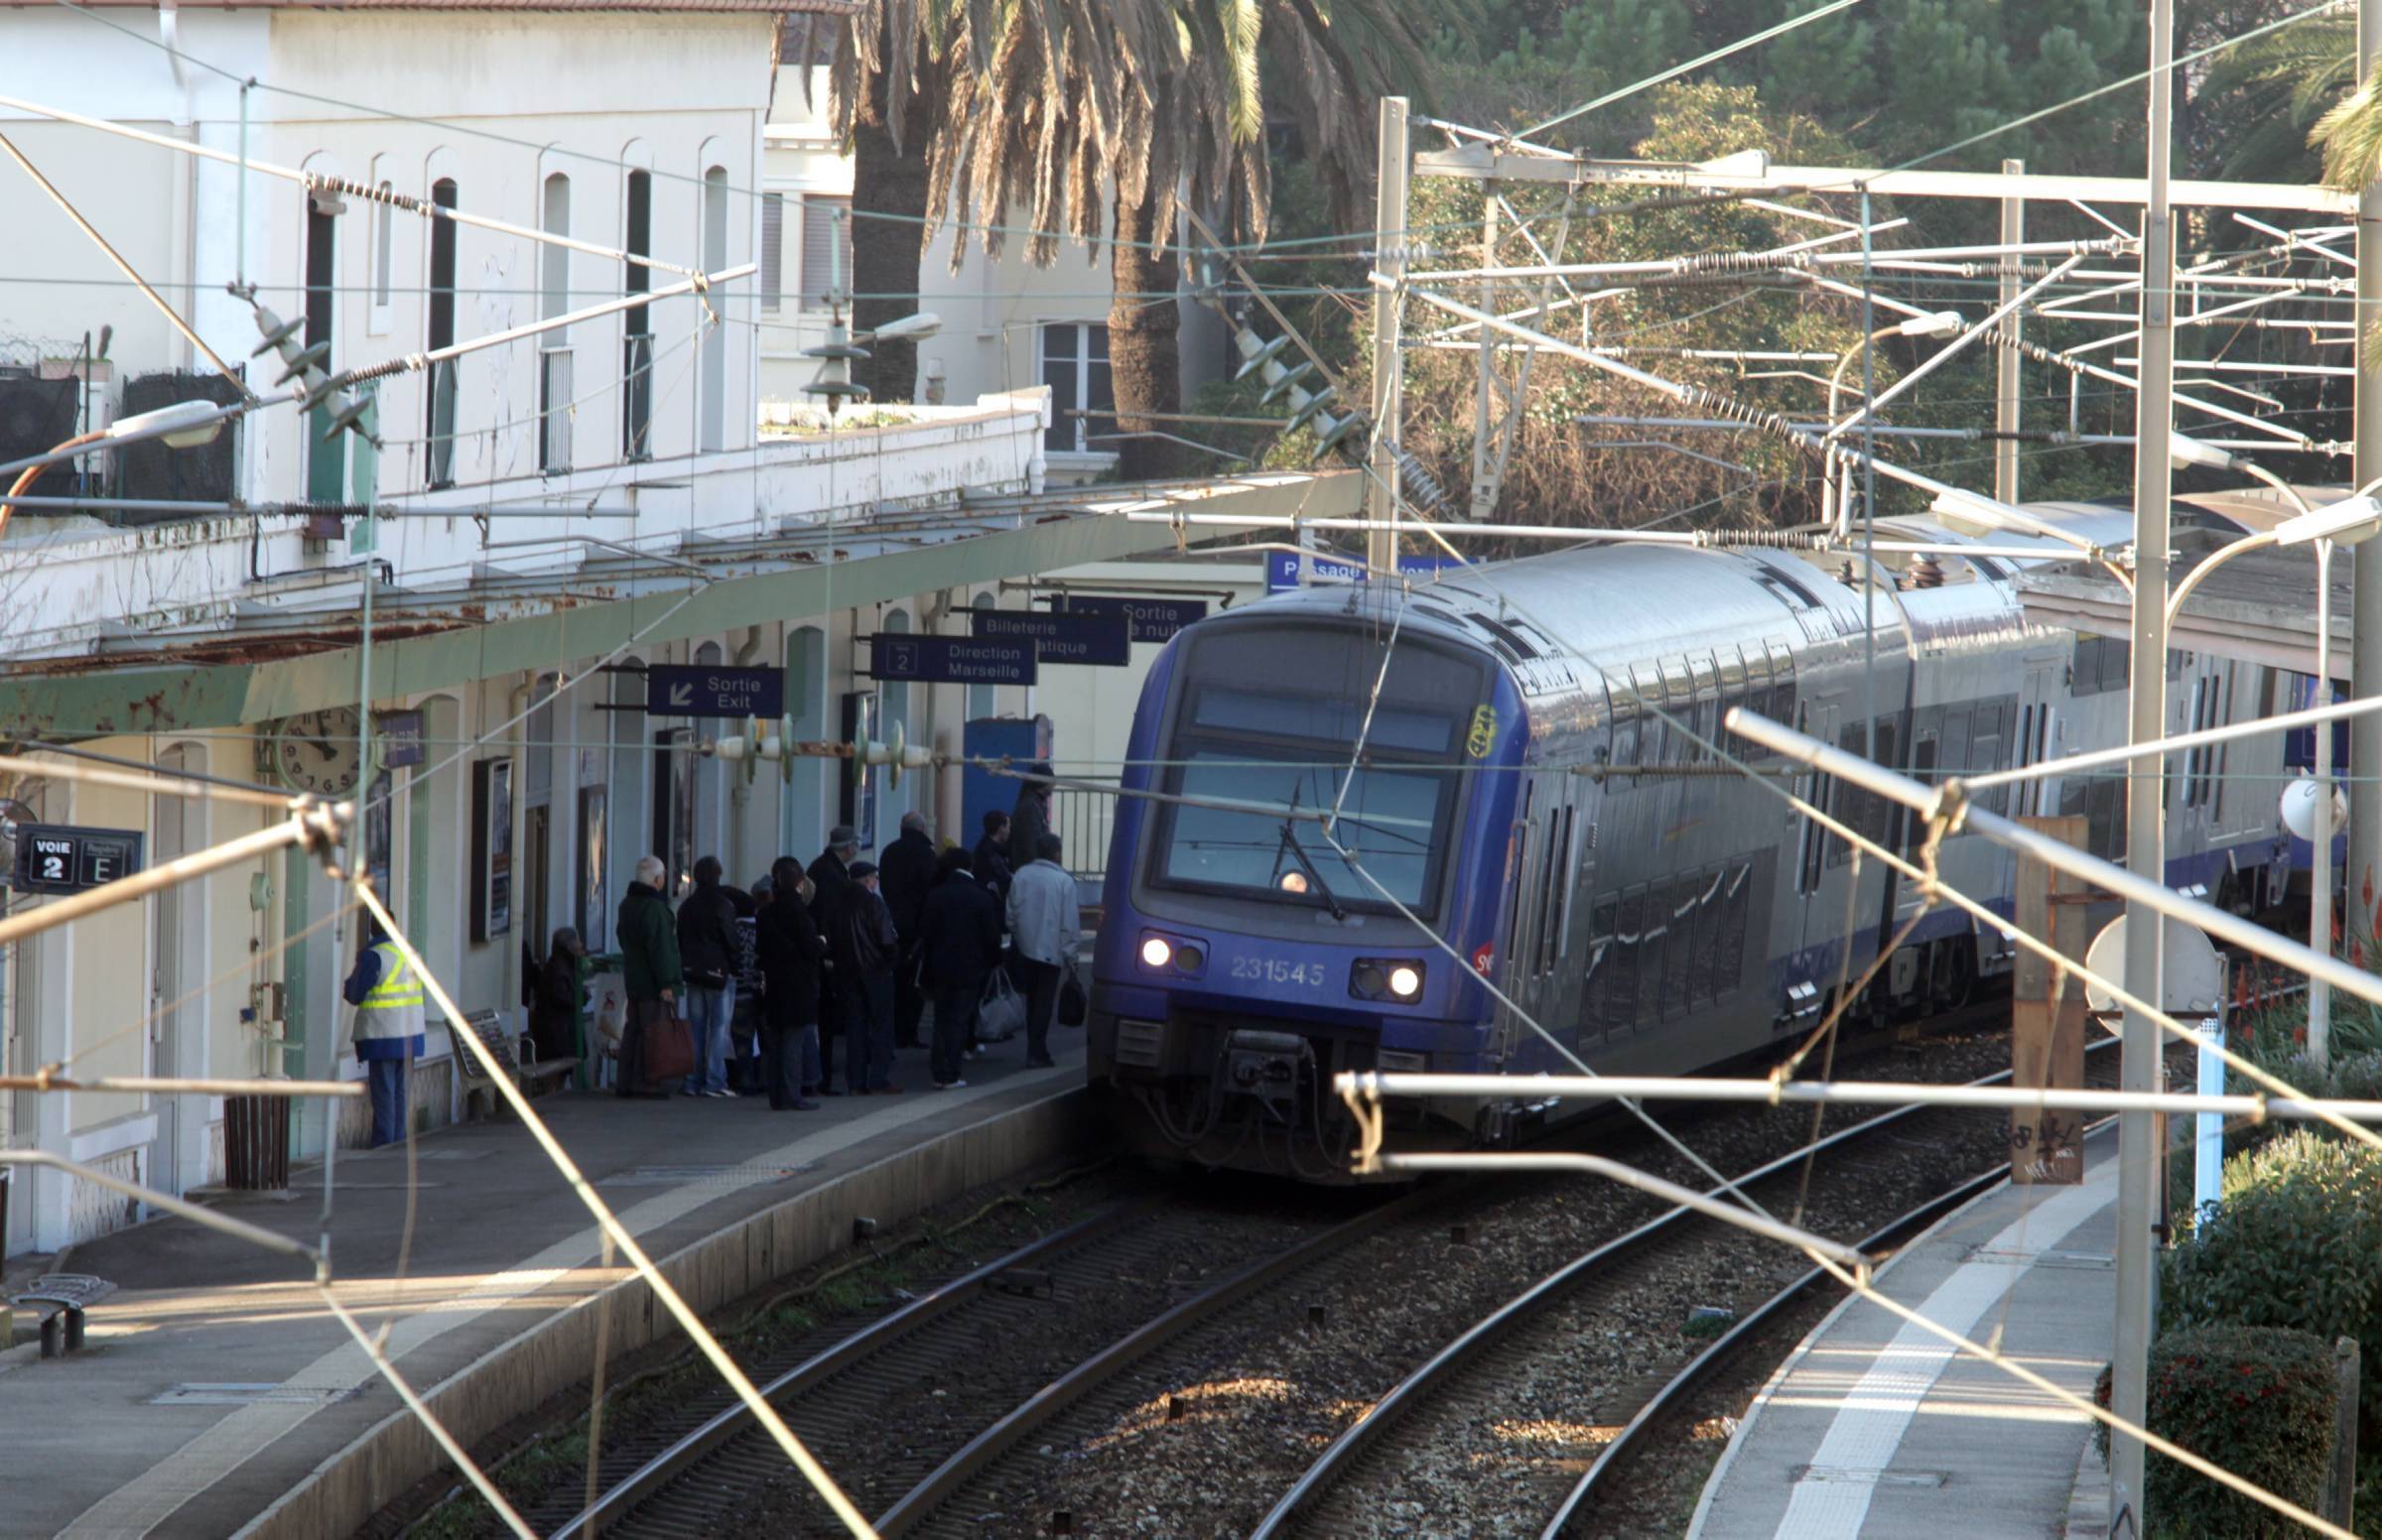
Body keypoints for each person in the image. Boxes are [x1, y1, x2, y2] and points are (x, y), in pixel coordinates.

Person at [919, 845, 1001, 1089]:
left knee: (941, 1019)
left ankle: (939, 1071)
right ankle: (951, 1072)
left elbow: (925, 932)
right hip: (969, 968)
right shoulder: (980, 897)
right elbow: (991, 937)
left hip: (939, 967)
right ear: (970, 866)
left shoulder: (936, 895)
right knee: (959, 1021)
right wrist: (994, 960)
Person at [343, 916, 425, 1146]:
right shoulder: (411, 952)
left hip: (383, 1034)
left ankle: (384, 1142)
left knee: (384, 1091)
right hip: (411, 1034)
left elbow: (354, 993)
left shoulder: (375, 956)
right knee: (400, 1091)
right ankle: (398, 1141)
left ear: (372, 928)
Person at [755, 857, 825, 1110]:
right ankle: (792, 1094)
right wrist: (822, 943)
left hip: (774, 984)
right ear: (798, 883)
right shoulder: (800, 912)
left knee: (775, 1042)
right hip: (798, 985)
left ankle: (776, 1095)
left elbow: (760, 950)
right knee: (794, 1042)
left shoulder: (765, 914)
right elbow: (809, 947)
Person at [1006, 832, 1079, 1070]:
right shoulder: (1063, 881)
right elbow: (1069, 923)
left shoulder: (1021, 874)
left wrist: (1020, 936)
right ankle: (1037, 1050)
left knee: (1031, 1000)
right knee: (1044, 1003)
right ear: (1056, 853)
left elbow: (1011, 915)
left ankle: (1034, 1047)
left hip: (1025, 948)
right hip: (1051, 951)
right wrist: (1071, 955)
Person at [615, 853, 682, 1098]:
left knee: (633, 1030)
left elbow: (622, 937)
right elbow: (662, 948)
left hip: (634, 978)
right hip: (652, 981)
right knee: (653, 1030)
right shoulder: (654, 908)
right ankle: (648, 1084)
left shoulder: (627, 905)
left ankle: (626, 1082)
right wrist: (669, 983)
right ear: (657, 879)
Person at [677, 855, 741, 1097]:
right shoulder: (723, 905)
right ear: (718, 875)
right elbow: (730, 939)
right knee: (719, 1027)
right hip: (719, 972)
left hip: (693, 972)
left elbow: (680, 938)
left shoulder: (687, 906)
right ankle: (715, 1080)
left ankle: (693, 1079)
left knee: (696, 1027)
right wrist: (734, 966)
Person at [841, 859, 902, 1093]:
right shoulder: (873, 903)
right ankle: (878, 1078)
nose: (877, 882)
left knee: (855, 1028)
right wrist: (891, 959)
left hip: (848, 972)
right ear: (867, 879)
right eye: (875, 878)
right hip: (876, 971)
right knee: (880, 1026)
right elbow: (887, 939)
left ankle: (855, 1081)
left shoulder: (840, 901)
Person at [879, 811, 938, 1049]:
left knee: (896, 979)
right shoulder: (926, 853)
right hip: (917, 926)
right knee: (914, 981)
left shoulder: (889, 851)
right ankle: (908, 1032)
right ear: (923, 829)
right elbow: (929, 889)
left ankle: (894, 1029)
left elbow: (884, 884)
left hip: (893, 922)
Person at [807, 827, 860, 1092]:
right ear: (847, 847)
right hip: (828, 955)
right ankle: (820, 1076)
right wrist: (830, 952)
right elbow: (829, 915)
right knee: (825, 1019)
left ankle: (819, 1074)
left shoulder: (824, 867)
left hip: (824, 951)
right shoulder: (831, 874)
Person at [529, 927, 587, 1067]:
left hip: (559, 1033)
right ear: (569, 946)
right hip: (558, 1036)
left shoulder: (560, 965)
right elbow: (563, 997)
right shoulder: (560, 968)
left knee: (560, 1074)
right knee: (556, 1074)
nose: (581, 946)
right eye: (578, 942)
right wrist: (583, 995)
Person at [1007, 765, 1055, 878]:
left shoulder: (1034, 804)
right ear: (1043, 782)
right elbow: (1031, 843)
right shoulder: (1030, 807)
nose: (1054, 785)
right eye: (1052, 781)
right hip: (1031, 871)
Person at [973, 811, 1014, 899]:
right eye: (1008, 827)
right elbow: (1004, 877)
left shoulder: (983, 847)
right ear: (1001, 828)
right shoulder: (991, 852)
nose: (1009, 831)